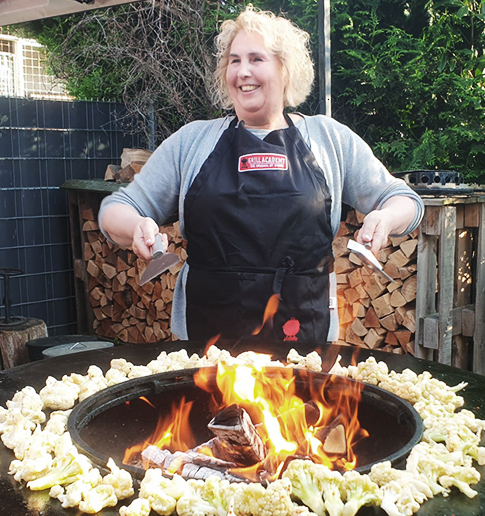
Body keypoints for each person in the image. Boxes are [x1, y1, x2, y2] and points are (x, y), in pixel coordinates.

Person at [99, 5, 423, 345]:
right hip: (208, 350)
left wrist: (385, 218)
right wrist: (136, 226)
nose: (242, 72)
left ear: (285, 70)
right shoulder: (192, 142)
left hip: (302, 343)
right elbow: (115, 209)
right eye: (234, 61)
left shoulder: (329, 139)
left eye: (256, 59)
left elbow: (406, 201)